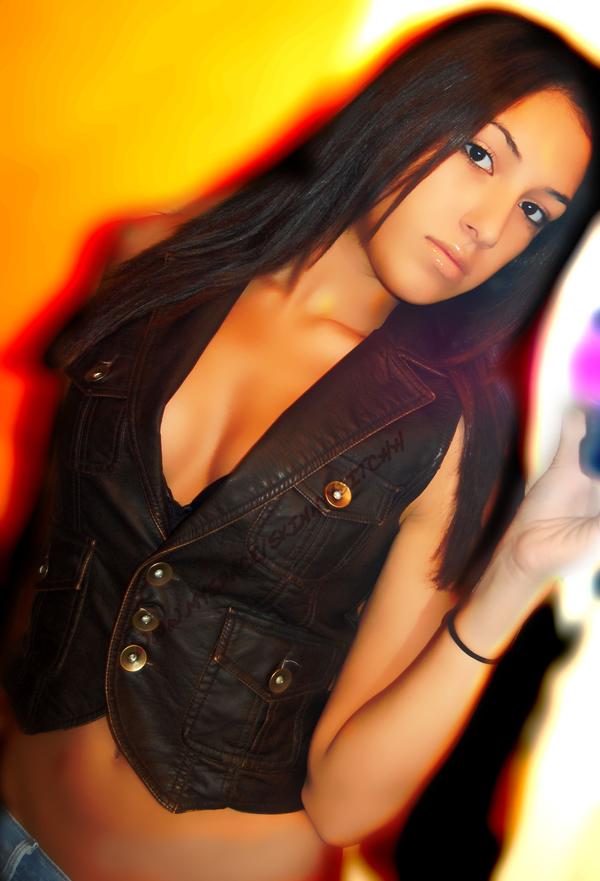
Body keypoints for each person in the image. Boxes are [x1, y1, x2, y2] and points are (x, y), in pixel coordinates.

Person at [0, 10, 598, 881]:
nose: (489, 225)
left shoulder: (443, 435)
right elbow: (37, 545)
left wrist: (511, 578)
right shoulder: (151, 260)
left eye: (535, 212)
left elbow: (344, 804)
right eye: (480, 153)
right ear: (407, 106)